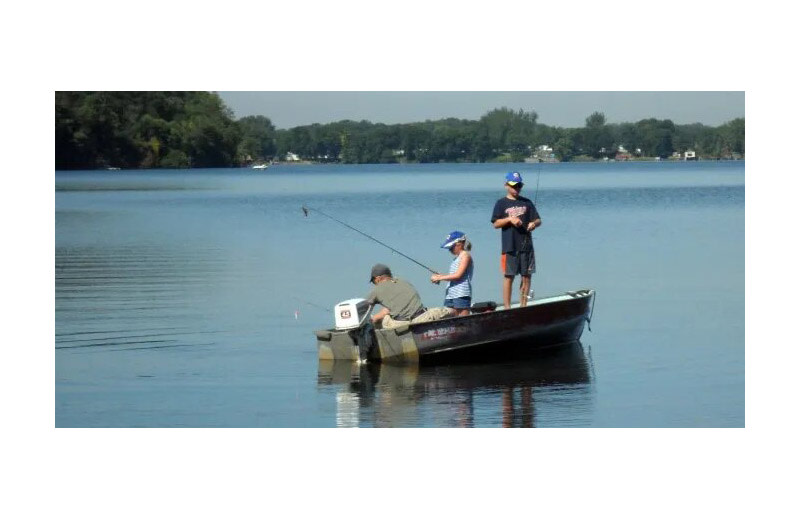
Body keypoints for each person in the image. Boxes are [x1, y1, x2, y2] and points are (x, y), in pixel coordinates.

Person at [490, 171, 542, 309]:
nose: (516, 188)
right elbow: (495, 224)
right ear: (506, 185)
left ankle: (523, 306)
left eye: (519, 185)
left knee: (526, 276)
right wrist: (509, 219)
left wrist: (534, 224)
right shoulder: (501, 203)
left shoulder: (527, 202)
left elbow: (538, 220)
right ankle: (507, 308)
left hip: (527, 246)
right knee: (509, 276)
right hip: (510, 246)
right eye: (513, 186)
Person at [365, 263, 451, 328]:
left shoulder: (376, 290)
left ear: (378, 278)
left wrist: (374, 318)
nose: (374, 284)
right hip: (423, 317)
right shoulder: (403, 281)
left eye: (373, 281)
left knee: (382, 319)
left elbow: (363, 311)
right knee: (450, 311)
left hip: (402, 325)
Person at [430, 231, 473, 317]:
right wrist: (440, 276)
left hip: (461, 293)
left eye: (451, 247)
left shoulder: (465, 256)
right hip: (450, 294)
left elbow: (458, 275)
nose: (449, 250)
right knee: (450, 317)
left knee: (463, 319)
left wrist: (440, 278)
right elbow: (452, 276)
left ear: (459, 244)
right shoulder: (455, 259)